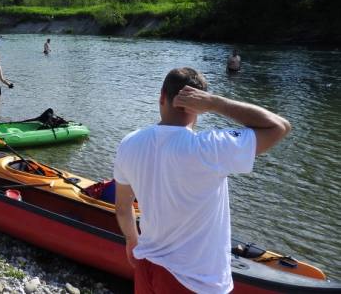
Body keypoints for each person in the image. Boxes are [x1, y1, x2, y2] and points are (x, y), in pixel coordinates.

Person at [113, 67, 291, 294]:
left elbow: (122, 208)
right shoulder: (210, 147)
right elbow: (280, 126)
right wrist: (217, 104)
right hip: (196, 281)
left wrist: (131, 240)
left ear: (161, 97)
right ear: (199, 107)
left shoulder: (129, 143)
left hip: (147, 266)